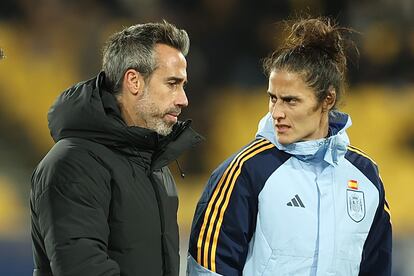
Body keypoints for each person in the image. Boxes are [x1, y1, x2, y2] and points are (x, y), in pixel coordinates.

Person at [187, 17, 391, 276]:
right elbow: (208, 268)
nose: (277, 112)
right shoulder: (246, 171)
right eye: (273, 99)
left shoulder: (366, 177)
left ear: (327, 99)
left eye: (290, 101)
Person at [30, 21, 203, 276]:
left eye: (183, 85)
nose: (183, 99)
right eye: (172, 83)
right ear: (133, 81)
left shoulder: (154, 166)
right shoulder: (72, 165)